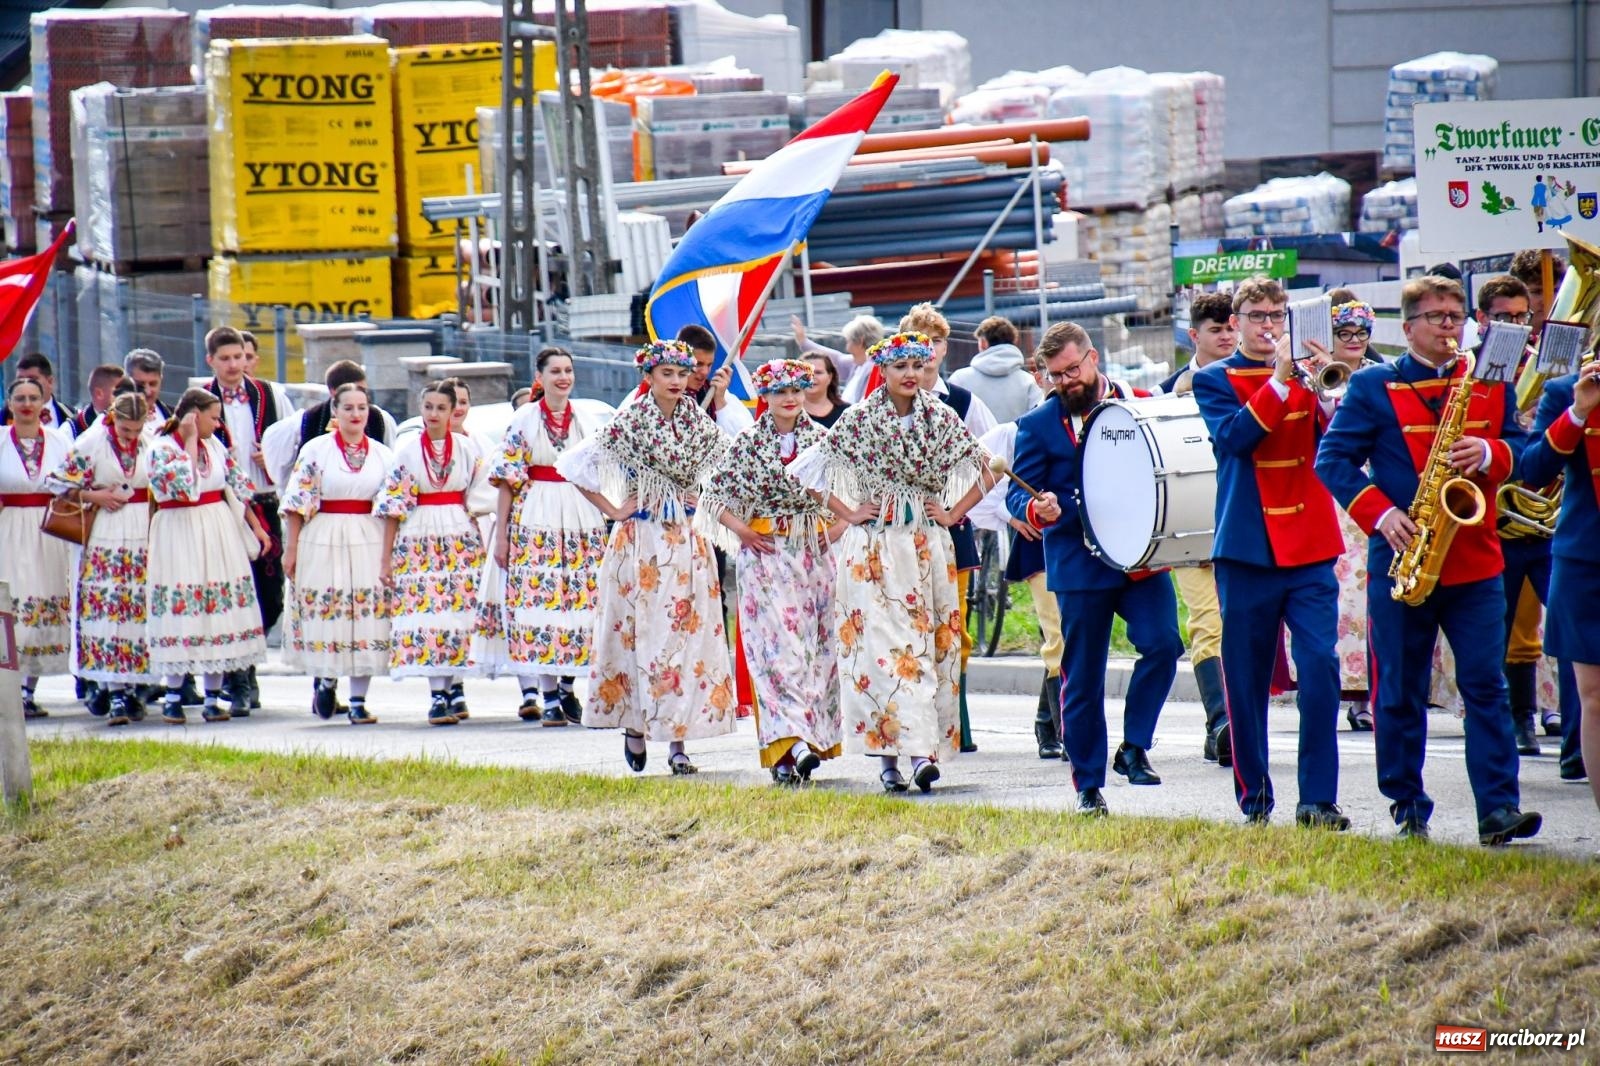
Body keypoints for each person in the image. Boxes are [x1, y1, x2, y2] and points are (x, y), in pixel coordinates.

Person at [1316, 275, 1541, 846]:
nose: (1449, 326)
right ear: (1409, 325)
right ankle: (1407, 803)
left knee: (1485, 687)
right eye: (1437, 317)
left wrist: (1493, 452)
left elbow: (1524, 452)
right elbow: (1333, 461)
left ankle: (1497, 809)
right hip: (1405, 559)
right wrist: (1381, 514)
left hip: (1475, 560)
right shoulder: (1372, 386)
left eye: (1455, 316)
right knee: (1398, 688)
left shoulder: (1488, 382)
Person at [791, 332, 989, 793]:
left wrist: (954, 512)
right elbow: (807, 474)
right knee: (880, 654)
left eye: (917, 366)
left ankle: (922, 754)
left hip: (925, 546)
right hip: (873, 550)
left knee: (925, 649)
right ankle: (887, 760)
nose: (910, 375)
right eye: (901, 366)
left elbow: (985, 468)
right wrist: (849, 511)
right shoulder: (858, 419)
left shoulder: (940, 416)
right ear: (882, 369)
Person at [1193, 277, 1349, 830]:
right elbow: (1234, 440)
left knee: (1321, 669)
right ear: (1237, 322)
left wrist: (1331, 391)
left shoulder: (1313, 376)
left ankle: (1318, 800)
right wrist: (1281, 383)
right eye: (1256, 316)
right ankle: (1255, 797)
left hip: (1309, 545)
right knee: (1246, 678)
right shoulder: (1212, 379)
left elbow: (1340, 442)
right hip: (1247, 547)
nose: (1267, 326)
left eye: (1276, 317)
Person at [1007, 322, 1182, 816]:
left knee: (1164, 644)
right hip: (1079, 565)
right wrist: (1034, 509)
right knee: (1082, 677)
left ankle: (1134, 746)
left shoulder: (1136, 402)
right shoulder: (1037, 425)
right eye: (1055, 375)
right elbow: (1019, 489)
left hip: (1139, 559)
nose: (1065, 382)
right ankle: (1088, 785)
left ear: (1093, 359)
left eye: (1072, 370)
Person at [556, 340, 738, 775]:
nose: (678, 382)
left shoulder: (698, 420)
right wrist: (614, 509)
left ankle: (678, 743)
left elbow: (728, 469)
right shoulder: (631, 420)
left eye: (683, 373)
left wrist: (703, 496)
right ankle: (635, 724)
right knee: (639, 635)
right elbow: (574, 466)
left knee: (685, 639)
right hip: (641, 541)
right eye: (668, 374)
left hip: (686, 542)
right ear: (649, 377)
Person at [700, 358, 842, 785]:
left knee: (814, 650)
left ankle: (805, 744)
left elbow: (851, 495)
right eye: (780, 392)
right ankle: (789, 742)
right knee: (774, 650)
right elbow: (714, 497)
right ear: (765, 396)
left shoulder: (822, 440)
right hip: (765, 557)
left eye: (797, 390)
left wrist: (832, 531)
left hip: (812, 558)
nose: (790, 399)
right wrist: (744, 531)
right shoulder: (746, 443)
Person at [489, 347, 612, 725]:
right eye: (555, 371)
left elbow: (599, 471)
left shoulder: (586, 418)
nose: (563, 377)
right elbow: (508, 480)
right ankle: (548, 694)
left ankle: (567, 685)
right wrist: (503, 535)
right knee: (540, 601)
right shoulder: (525, 418)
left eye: (568, 370)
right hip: (536, 512)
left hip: (579, 512)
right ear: (539, 377)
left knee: (580, 599)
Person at [144, 388, 272, 723]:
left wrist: (257, 527)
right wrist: (186, 440)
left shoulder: (213, 446)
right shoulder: (160, 448)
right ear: (192, 415)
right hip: (179, 530)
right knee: (182, 608)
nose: (216, 425)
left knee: (218, 610)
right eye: (212, 417)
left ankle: (213, 697)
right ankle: (173, 695)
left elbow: (238, 486)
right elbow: (185, 488)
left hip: (217, 530)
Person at [903, 303, 996, 753]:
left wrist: (963, 508)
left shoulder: (959, 400)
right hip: (897, 534)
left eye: (937, 341)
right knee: (906, 627)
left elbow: (993, 458)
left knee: (953, 628)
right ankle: (913, 724)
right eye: (918, 341)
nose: (929, 351)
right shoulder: (877, 405)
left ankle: (956, 722)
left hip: (950, 531)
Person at [280, 383, 396, 726]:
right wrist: (292, 548)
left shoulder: (383, 454)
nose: (356, 415)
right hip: (325, 534)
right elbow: (296, 503)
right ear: (335, 411)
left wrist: (390, 554)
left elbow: (392, 506)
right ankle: (327, 679)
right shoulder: (316, 449)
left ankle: (359, 700)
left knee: (367, 614)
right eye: (348, 408)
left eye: (362, 407)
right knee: (331, 608)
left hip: (367, 535)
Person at [376, 381, 489, 725]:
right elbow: (394, 505)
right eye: (428, 408)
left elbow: (479, 494)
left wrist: (480, 537)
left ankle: (455, 685)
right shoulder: (408, 451)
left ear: (453, 410)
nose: (434, 414)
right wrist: (386, 557)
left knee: (458, 613)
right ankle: (437, 693)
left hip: (458, 534)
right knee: (430, 613)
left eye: (442, 408)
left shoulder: (467, 449)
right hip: (419, 535)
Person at [1159, 291, 1236, 763]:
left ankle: (1237, 721)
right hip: (1193, 527)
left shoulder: (1256, 379)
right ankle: (1221, 721)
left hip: (1243, 520)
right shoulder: (1170, 392)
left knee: (1242, 625)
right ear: (1194, 336)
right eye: (1216, 329)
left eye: (1231, 327)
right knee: (1208, 624)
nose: (1226, 336)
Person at [1521, 360, 1600, 812]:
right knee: (1595, 698)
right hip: (1587, 557)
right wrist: (1578, 413)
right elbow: (1533, 468)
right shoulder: (1566, 390)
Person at [48, 391, 154, 726]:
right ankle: (113, 688)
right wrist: (96, 494)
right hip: (105, 528)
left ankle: (139, 683)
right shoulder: (92, 442)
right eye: (126, 431)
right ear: (113, 420)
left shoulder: (151, 442)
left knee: (139, 605)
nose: (133, 437)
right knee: (108, 608)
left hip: (140, 527)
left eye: (137, 430)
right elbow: (56, 482)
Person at [970, 417, 1064, 759]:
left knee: (1075, 635)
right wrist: (1012, 516)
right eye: (1052, 374)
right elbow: (974, 488)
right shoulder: (1015, 432)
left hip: (1087, 542)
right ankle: (1067, 729)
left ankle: (1047, 720)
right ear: (1038, 375)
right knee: (1059, 632)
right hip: (1039, 543)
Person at [204, 326, 285, 715]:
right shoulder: (202, 400)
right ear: (212, 362)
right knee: (236, 590)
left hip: (264, 501)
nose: (234, 365)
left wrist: (273, 463)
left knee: (270, 593)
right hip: (225, 506)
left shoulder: (268, 395)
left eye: (239, 357)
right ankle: (239, 674)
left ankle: (250, 656)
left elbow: (293, 445)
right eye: (225, 359)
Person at [0, 377, 72, 718]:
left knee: (45, 602)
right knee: (13, 606)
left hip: (48, 531)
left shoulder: (59, 442)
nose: (27, 404)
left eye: (34, 398)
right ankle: (8, 689)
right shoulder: (0, 441)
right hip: (9, 529)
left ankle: (29, 690)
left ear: (44, 403)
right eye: (20, 398)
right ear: (10, 403)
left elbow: (74, 483)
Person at [261, 359, 397, 492]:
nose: (356, 414)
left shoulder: (380, 419)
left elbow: (390, 460)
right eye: (349, 407)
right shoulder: (307, 421)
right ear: (333, 392)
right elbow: (281, 470)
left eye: (363, 390)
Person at [949, 315, 1042, 425]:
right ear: (1014, 342)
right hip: (1017, 441)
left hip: (972, 441)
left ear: (983, 343)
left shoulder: (959, 379)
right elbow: (1037, 420)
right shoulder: (1030, 382)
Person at [676, 323, 755, 435]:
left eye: (709, 365)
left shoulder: (718, 393)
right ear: (680, 359)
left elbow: (745, 440)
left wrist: (720, 401)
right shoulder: (663, 394)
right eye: (698, 364)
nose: (705, 372)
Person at [791, 313, 882, 405]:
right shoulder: (858, 365)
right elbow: (836, 359)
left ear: (860, 341)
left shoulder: (875, 370)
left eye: (848, 341)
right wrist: (803, 342)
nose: (847, 348)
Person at [3, 352, 75, 429]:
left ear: (50, 382)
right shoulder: (3, 418)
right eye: (20, 379)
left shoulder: (72, 417)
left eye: (32, 379)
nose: (25, 384)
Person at [68, 364, 127, 437]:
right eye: (120, 392)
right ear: (99, 393)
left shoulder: (136, 424)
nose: (126, 397)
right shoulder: (71, 430)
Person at [123, 348, 172, 427]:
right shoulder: (110, 420)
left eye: (153, 384)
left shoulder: (174, 418)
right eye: (140, 385)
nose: (147, 392)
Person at [800, 352, 849, 428]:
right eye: (806, 372)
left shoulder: (847, 412)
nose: (811, 377)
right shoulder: (788, 411)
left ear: (830, 377)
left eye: (818, 372)